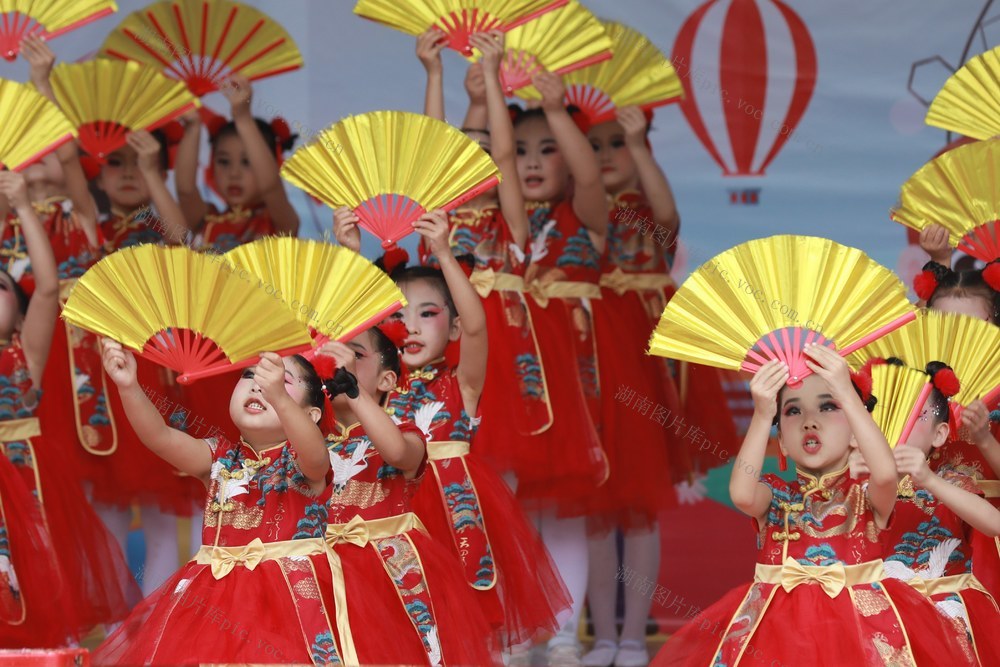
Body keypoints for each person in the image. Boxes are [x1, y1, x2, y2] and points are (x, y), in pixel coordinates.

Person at [652, 347, 975, 666]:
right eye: (793, 412)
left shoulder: (866, 495)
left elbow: (887, 473)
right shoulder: (776, 496)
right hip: (774, 634)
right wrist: (763, 414)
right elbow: (741, 494)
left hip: (861, 633)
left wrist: (848, 396)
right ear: (782, 444)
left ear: (855, 434)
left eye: (827, 407)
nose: (809, 421)